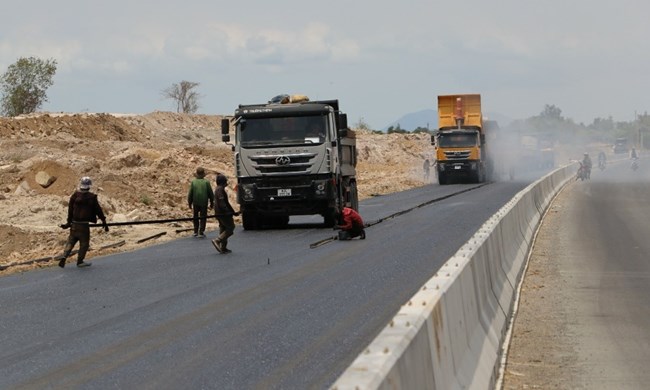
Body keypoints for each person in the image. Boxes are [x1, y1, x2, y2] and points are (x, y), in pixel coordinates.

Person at [58, 176, 108, 268]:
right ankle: (80, 261)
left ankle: (65, 256)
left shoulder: (75, 195)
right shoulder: (91, 197)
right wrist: (104, 221)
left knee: (71, 241)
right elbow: (98, 210)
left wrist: (68, 222)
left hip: (74, 224)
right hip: (84, 226)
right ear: (89, 186)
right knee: (84, 243)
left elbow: (70, 210)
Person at [211, 174, 238, 254]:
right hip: (222, 213)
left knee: (223, 228)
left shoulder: (220, 189)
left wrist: (233, 212)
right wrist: (227, 212)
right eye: (225, 181)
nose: (227, 182)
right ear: (223, 182)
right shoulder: (220, 190)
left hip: (219, 212)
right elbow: (222, 203)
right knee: (230, 228)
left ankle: (223, 247)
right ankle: (217, 240)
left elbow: (227, 203)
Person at [187, 167, 214, 238]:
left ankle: (195, 231)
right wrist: (211, 202)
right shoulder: (206, 182)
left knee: (195, 216)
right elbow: (210, 193)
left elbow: (190, 194)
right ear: (203, 174)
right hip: (204, 202)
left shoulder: (193, 182)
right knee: (203, 217)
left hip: (195, 202)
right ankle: (201, 231)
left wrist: (189, 203)